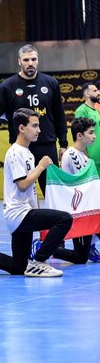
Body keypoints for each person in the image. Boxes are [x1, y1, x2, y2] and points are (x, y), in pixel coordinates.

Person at [0, 108, 72, 277]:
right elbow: (22, 185)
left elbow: (31, 189)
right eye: (34, 126)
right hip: (18, 214)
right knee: (64, 219)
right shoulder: (14, 153)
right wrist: (41, 167)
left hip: (24, 212)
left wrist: (37, 211)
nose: (39, 130)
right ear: (21, 128)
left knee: (19, 267)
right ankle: (39, 261)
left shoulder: (27, 152)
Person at [0, 44, 67, 195]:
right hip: (21, 148)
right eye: (26, 60)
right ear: (19, 61)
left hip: (47, 145)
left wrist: (63, 143)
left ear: (38, 60)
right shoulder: (7, 86)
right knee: (24, 192)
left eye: (33, 59)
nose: (30, 63)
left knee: (53, 193)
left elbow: (59, 115)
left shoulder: (51, 83)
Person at [30, 117, 97, 264]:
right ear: (80, 135)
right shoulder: (71, 155)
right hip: (78, 210)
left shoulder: (85, 157)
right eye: (91, 133)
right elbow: (80, 186)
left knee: (82, 255)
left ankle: (89, 246)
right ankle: (43, 247)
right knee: (80, 258)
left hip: (87, 207)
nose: (94, 136)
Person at [73, 82, 100, 261]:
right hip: (91, 163)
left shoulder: (96, 110)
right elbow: (79, 135)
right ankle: (88, 245)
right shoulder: (82, 110)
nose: (98, 92)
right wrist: (85, 157)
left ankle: (92, 243)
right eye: (95, 90)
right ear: (86, 94)